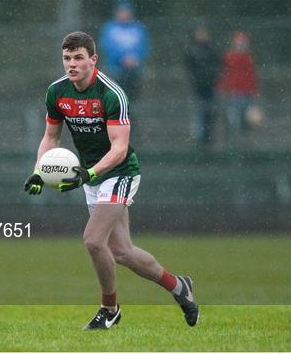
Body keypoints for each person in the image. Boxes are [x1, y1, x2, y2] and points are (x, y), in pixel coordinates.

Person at [24, 31, 199, 330]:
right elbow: (50, 137)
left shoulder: (111, 94)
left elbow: (119, 148)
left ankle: (110, 309)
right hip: (91, 177)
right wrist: (40, 171)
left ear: (94, 59)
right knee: (122, 252)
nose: (72, 64)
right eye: (67, 58)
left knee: (93, 240)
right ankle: (179, 287)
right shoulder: (56, 92)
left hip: (119, 173)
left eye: (79, 58)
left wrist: (90, 173)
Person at [99, 0, 149, 98]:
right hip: (115, 71)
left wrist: (135, 58)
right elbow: (106, 47)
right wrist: (121, 59)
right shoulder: (109, 28)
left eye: (126, 11)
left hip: (134, 72)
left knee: (133, 98)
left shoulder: (138, 28)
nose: (124, 14)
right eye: (121, 11)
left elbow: (144, 46)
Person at [217, 30, 259, 138]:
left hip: (247, 93)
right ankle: (234, 139)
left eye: (243, 43)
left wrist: (254, 91)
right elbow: (224, 74)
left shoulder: (248, 58)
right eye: (240, 43)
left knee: (247, 119)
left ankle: (243, 138)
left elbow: (252, 77)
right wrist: (223, 89)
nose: (242, 46)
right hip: (234, 93)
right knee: (234, 118)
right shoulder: (229, 57)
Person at [184, 25, 220, 146]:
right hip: (198, 88)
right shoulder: (192, 50)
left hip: (210, 86)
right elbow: (190, 69)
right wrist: (197, 80)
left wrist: (211, 79)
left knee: (209, 114)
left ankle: (208, 137)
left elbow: (217, 67)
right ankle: (200, 139)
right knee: (199, 114)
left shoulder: (212, 49)